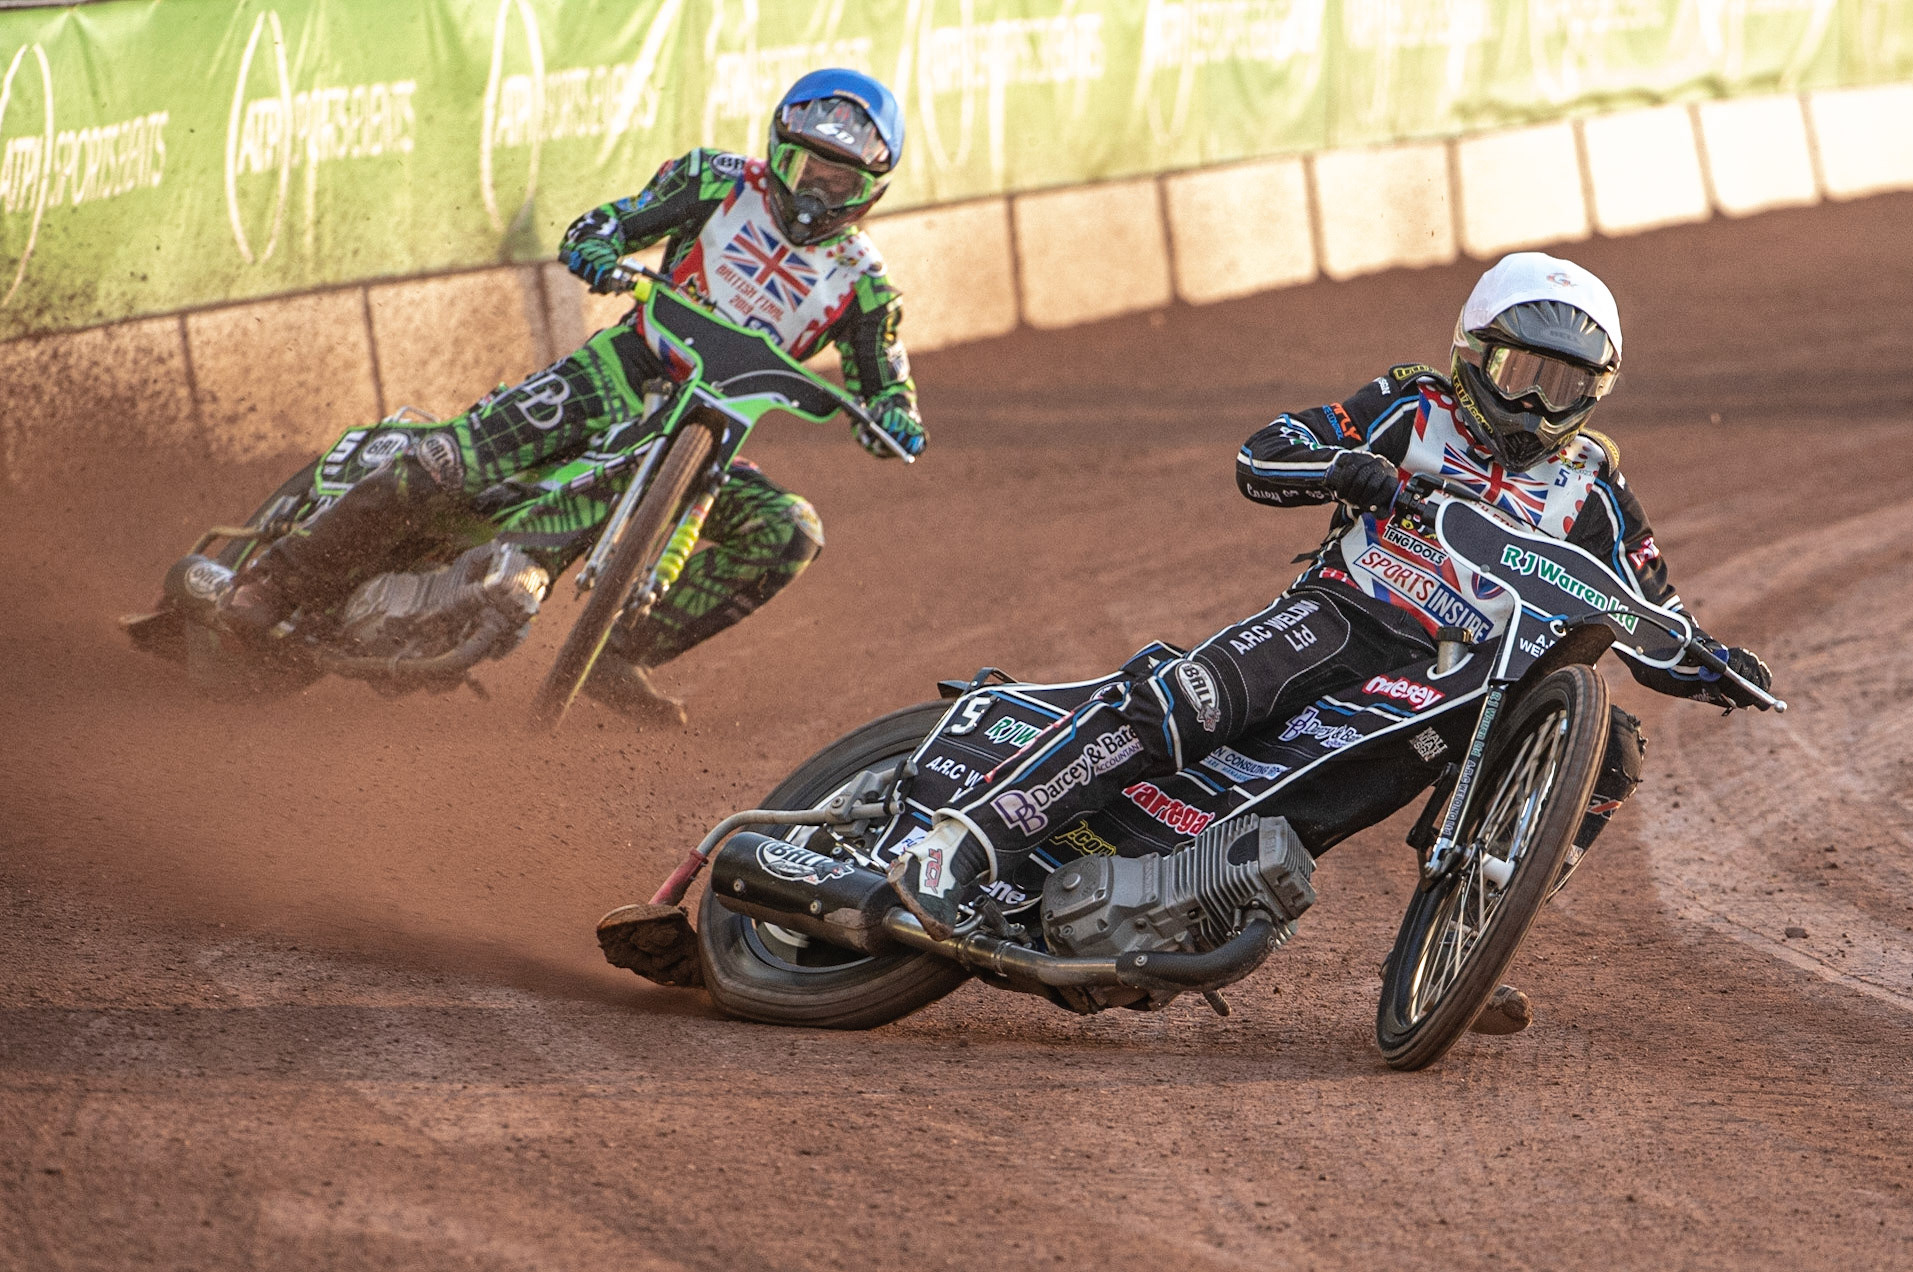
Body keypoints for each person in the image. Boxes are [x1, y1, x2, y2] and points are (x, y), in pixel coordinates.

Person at [889, 251, 1772, 941]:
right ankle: (955, 846)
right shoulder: (1409, 406)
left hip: (1455, 679)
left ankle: (1478, 919)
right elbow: (1262, 453)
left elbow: (1652, 614)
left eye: (1567, 387)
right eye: (1519, 375)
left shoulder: (1596, 491)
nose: (1538, 407)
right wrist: (1346, 467)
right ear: (1472, 356)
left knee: (1611, 743)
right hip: (1342, 614)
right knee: (1189, 702)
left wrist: (1714, 663)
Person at [218, 68, 924, 725]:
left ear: (870, 191)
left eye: (839, 184)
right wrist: (597, 246)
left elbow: (885, 383)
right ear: (777, 152)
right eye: (806, 171)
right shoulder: (715, 181)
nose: (815, 196)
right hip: (620, 368)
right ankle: (277, 581)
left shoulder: (864, 283)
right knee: (448, 460)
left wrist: (893, 417)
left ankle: (616, 652)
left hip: (709, 436)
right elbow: (611, 222)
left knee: (788, 528)